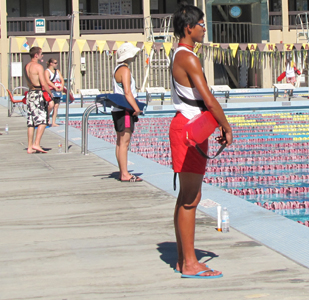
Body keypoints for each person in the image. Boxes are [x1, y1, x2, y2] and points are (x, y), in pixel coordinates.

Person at [170, 3, 233, 278]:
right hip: (189, 130)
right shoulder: (189, 57)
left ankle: (184, 258)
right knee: (191, 199)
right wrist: (226, 126)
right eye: (202, 24)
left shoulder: (180, 54)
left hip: (188, 127)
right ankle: (190, 263)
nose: (204, 28)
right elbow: (208, 98)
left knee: (186, 197)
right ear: (189, 28)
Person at [112, 43, 142, 182]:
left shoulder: (117, 69)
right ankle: (125, 174)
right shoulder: (125, 70)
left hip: (118, 110)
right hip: (125, 110)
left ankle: (122, 172)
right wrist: (136, 108)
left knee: (119, 142)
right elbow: (128, 92)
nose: (135, 57)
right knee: (124, 142)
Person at [25, 47, 53, 154]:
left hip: (30, 93)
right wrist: (50, 94)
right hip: (37, 94)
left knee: (31, 122)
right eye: (41, 54)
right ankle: (36, 143)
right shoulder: (38, 67)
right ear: (36, 55)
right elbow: (43, 83)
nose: (42, 56)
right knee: (43, 120)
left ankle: (29, 147)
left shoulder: (27, 66)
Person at [45, 58, 64, 126]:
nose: (57, 64)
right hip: (51, 91)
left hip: (57, 92)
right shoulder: (47, 71)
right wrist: (54, 87)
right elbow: (47, 81)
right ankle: (46, 117)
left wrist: (61, 86)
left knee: (56, 106)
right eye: (55, 63)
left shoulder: (57, 71)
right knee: (51, 105)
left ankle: (53, 122)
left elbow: (62, 79)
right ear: (51, 63)